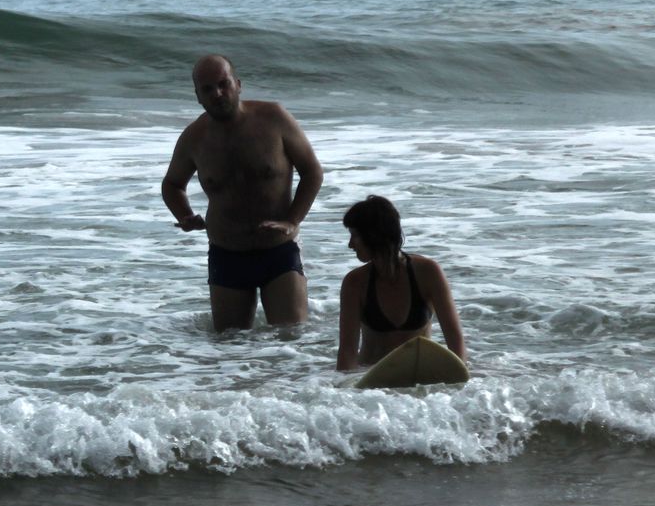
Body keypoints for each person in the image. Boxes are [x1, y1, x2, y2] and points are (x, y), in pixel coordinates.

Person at [162, 54, 324, 332]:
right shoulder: (194, 138)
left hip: (278, 250)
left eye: (223, 84)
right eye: (207, 89)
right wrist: (185, 215)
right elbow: (172, 185)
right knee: (230, 348)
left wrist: (292, 221)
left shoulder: (274, 118)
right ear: (197, 96)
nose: (217, 93)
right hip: (227, 254)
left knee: (292, 338)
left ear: (238, 84)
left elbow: (312, 172)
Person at [337, 195, 466, 370]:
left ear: (373, 235)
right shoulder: (355, 282)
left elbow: (455, 339)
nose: (350, 245)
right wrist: (345, 389)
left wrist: (459, 380)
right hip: (371, 376)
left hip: (420, 374)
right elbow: (348, 351)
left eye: (355, 236)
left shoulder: (428, 272)